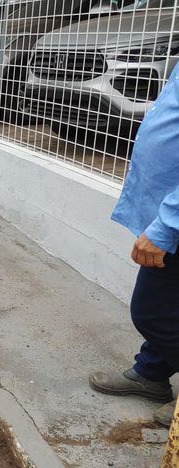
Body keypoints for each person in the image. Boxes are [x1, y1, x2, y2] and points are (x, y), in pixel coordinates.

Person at [89, 65, 179, 427]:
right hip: (165, 208)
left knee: (151, 312)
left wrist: (168, 225)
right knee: (171, 303)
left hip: (172, 217)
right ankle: (151, 373)